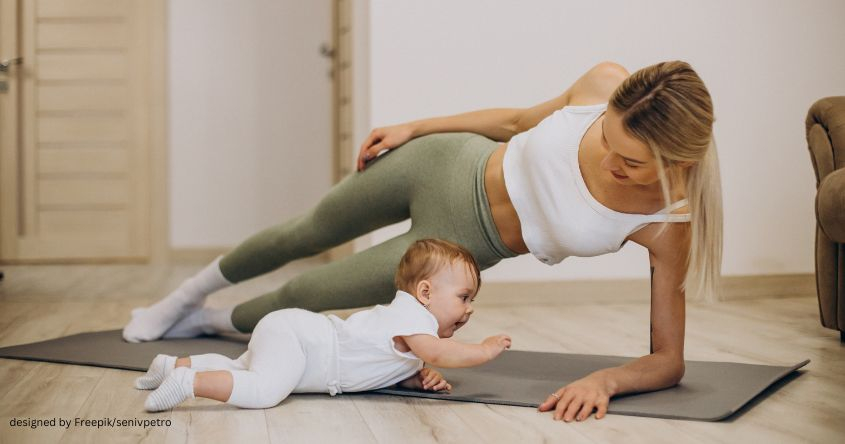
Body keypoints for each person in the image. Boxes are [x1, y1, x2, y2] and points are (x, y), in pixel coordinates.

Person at [124, 60, 722, 422]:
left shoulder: (668, 221)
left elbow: (668, 360)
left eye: (633, 163)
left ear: (681, 160)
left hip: (454, 245)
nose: (610, 161)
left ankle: (210, 320)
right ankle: (182, 297)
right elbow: (516, 123)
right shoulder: (604, 82)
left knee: (304, 294)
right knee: (303, 232)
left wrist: (606, 380)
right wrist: (417, 125)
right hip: (443, 162)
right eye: (608, 142)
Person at [136, 239, 512, 412]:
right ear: (425, 292)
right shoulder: (413, 319)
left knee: (242, 368)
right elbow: (438, 351)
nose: (468, 310)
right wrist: (483, 350)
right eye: (464, 297)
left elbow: (389, 363)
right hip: (303, 343)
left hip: (296, 336)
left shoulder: (410, 327)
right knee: (264, 391)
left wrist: (415, 378)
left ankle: (174, 365)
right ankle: (190, 384)